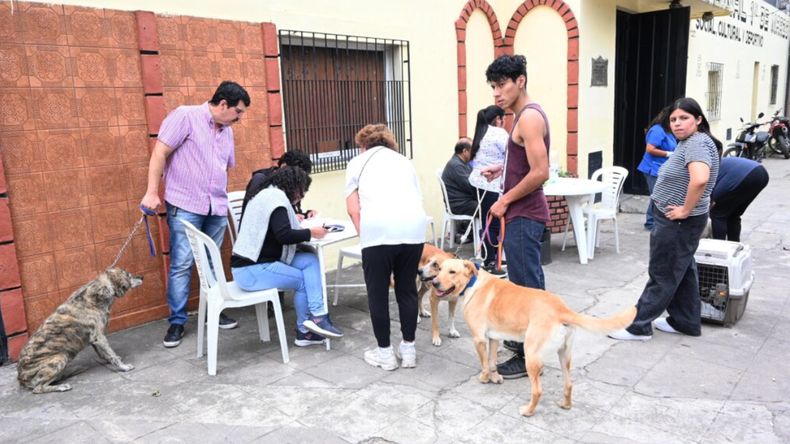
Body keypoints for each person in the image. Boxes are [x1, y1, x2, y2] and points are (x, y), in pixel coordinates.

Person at [140, 81, 250, 348]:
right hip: (185, 205)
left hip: (216, 207)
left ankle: (215, 309)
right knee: (182, 263)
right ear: (223, 104)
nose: (240, 118)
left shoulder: (227, 131)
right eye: (238, 111)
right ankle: (177, 321)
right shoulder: (186, 116)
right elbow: (159, 154)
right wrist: (152, 192)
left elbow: (225, 167)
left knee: (212, 261)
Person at [609, 97, 721, 341]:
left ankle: (638, 326)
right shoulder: (692, 141)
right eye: (673, 119)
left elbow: (700, 178)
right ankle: (686, 321)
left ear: (698, 120)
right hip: (681, 219)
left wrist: (685, 209)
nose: (677, 124)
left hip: (678, 221)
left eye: (684, 118)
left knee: (663, 272)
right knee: (683, 270)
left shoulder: (696, 145)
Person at [480, 55, 551, 379]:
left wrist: (505, 200)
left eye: (502, 84)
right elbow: (525, 162)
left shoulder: (529, 118)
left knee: (527, 289)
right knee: (524, 285)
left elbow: (541, 172)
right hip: (521, 214)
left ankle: (529, 356)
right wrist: (503, 169)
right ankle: (526, 343)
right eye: (493, 86)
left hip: (524, 215)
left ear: (520, 81)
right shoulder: (521, 118)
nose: (497, 93)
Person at [345, 124, 427, 370]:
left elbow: (353, 208)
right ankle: (409, 350)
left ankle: (385, 354)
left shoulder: (357, 162)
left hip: (378, 232)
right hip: (413, 230)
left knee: (378, 293)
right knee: (407, 290)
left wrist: (366, 236)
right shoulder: (405, 161)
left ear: (363, 144)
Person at [231, 167, 343, 346]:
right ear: (294, 186)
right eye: (302, 192)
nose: (301, 197)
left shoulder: (269, 194)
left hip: (261, 262)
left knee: (309, 260)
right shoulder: (276, 199)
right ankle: (305, 331)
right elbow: (284, 235)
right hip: (251, 270)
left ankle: (318, 315)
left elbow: (278, 231)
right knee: (304, 281)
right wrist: (310, 232)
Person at [469, 105, 508, 271]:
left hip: (478, 183)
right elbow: (512, 154)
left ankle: (490, 259)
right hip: (492, 184)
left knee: (486, 221)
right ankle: (493, 261)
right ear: (498, 119)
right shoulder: (499, 133)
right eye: (503, 118)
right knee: (494, 224)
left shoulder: (481, 131)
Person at [240, 150, 315, 224]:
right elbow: (254, 218)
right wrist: (289, 219)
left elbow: (292, 213)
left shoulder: (287, 185)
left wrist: (305, 215)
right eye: (298, 176)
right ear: (284, 167)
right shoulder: (260, 180)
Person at [636, 106, 677, 230]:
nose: (676, 122)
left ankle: (655, 221)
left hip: (662, 168)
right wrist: (668, 154)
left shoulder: (669, 131)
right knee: (657, 196)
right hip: (652, 168)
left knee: (659, 195)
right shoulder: (658, 130)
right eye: (673, 119)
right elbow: (650, 149)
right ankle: (650, 223)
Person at [710, 157, 769, 242]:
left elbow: (704, 188)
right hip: (761, 173)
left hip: (744, 176)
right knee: (733, 214)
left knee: (717, 214)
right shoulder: (712, 163)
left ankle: (719, 248)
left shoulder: (699, 169)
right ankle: (735, 245)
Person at [441, 137, 478, 217]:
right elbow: (471, 187)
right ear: (464, 151)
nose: (474, 154)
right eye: (472, 151)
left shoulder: (464, 163)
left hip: (465, 201)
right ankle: (487, 229)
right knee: (488, 207)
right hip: (459, 204)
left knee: (489, 203)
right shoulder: (457, 166)